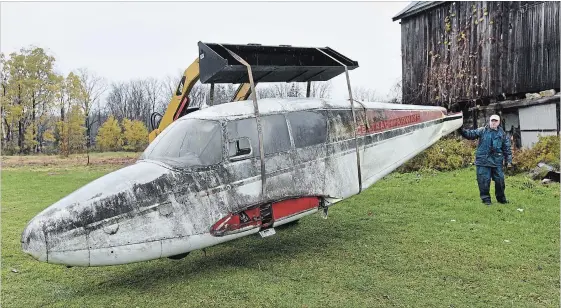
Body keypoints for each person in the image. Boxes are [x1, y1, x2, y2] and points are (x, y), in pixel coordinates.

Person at [458, 114, 513, 205]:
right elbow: (469, 135)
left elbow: (507, 149)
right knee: (484, 181)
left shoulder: (502, 134)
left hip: (497, 161)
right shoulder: (482, 131)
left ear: (499, 122)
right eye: (492, 120)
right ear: (489, 121)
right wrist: (460, 129)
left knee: (500, 181)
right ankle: (486, 200)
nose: (493, 122)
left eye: (495, 121)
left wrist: (509, 161)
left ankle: (501, 199)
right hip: (483, 161)